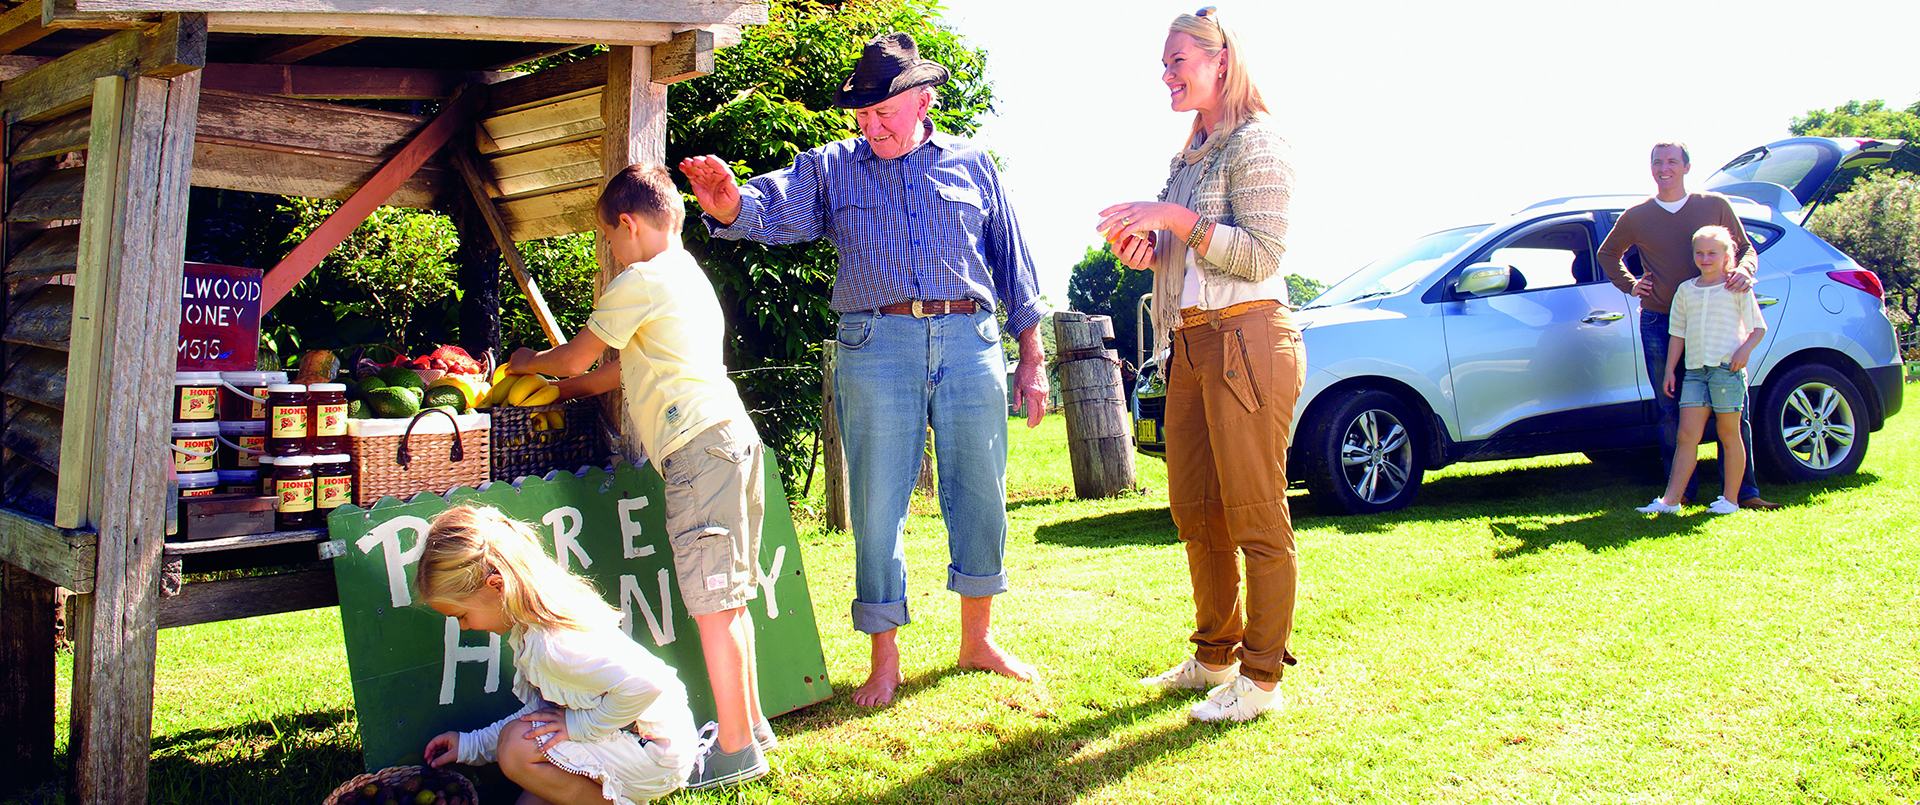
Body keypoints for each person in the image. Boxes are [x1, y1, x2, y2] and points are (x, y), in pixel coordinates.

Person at [678, 31, 1047, 707]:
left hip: (971, 338)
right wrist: (728, 203)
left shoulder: (974, 163)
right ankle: (885, 657)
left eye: (883, 112)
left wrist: (1032, 355)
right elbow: (773, 207)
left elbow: (1013, 261)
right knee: (876, 508)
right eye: (861, 114)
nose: (870, 124)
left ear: (923, 100)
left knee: (982, 494)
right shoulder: (832, 166)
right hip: (876, 344)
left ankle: (977, 639)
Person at [506, 164, 774, 789]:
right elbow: (614, 371)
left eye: (609, 240)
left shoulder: (641, 279)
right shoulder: (688, 278)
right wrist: (560, 389)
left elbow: (578, 354)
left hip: (697, 450)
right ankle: (753, 727)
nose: (612, 254)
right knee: (730, 600)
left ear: (626, 224)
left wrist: (528, 362)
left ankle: (734, 752)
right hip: (732, 439)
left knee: (712, 605)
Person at [1097, 7, 1305, 722]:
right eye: (1165, 63)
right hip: (1189, 341)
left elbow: (1261, 255)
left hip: (1249, 338)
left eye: (1177, 60)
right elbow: (1186, 253)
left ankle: (1261, 677)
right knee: (1195, 507)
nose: (1166, 74)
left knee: (1253, 510)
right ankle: (1216, 652)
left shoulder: (1261, 140)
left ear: (1222, 61)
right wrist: (1148, 252)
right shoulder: (1191, 154)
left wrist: (1175, 220)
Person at [417, 505, 697, 804]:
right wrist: (471, 745)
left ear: (496, 586)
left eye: (461, 615)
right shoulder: (529, 629)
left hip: (654, 751)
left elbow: (649, 682)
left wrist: (580, 727)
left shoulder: (555, 646)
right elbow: (543, 714)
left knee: (515, 750)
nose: (464, 627)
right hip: (626, 742)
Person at [1598, 142, 1781, 510]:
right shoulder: (1636, 215)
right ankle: (1679, 494)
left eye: (1671, 162)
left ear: (1686, 166)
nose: (1664, 168)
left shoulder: (1714, 205)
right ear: (1651, 168)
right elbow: (1607, 253)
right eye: (1657, 162)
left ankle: (1745, 493)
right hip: (1660, 321)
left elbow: (1745, 249)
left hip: (1717, 321)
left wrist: (1744, 271)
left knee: (1734, 412)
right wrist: (1632, 284)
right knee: (1670, 410)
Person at [1637, 226, 1768, 515]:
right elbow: (1678, 333)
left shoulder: (1737, 287)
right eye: (1700, 253)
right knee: (1686, 436)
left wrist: (1742, 352)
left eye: (1712, 253)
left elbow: (1758, 328)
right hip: (1695, 372)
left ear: (1726, 255)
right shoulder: (1686, 290)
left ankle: (1730, 500)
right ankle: (1670, 502)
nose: (1705, 258)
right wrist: (1670, 370)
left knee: (1728, 433)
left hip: (1725, 371)